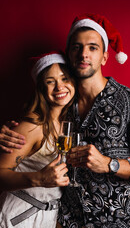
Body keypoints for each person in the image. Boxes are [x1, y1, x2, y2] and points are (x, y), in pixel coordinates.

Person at [1, 13, 130, 228]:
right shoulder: (64, 103)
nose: (84, 54)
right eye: (77, 47)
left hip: (114, 222)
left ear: (104, 57)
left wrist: (108, 164)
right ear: (69, 54)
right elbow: (35, 130)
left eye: (93, 47)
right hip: (64, 222)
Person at [0, 51, 75, 228]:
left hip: (46, 217)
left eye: (64, 78)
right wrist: (38, 178)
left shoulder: (68, 124)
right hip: (17, 217)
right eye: (50, 82)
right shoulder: (32, 126)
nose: (59, 87)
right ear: (41, 88)